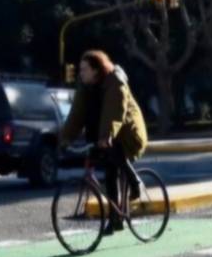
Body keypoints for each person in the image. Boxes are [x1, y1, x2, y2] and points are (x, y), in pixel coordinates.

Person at [59, 50, 149, 233]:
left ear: (96, 70)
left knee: (115, 150)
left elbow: (113, 112)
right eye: (80, 69)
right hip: (105, 133)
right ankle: (115, 220)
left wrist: (106, 136)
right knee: (109, 174)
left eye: (84, 69)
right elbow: (77, 114)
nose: (81, 73)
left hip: (128, 131)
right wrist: (65, 138)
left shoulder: (114, 81)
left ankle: (135, 182)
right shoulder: (84, 86)